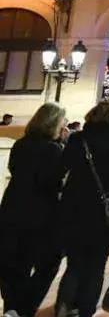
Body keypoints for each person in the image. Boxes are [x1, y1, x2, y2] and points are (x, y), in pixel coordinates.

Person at [56, 97, 109, 317]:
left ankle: (64, 307)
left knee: (75, 264)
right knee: (96, 266)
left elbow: (62, 167)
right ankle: (85, 311)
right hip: (105, 213)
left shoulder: (79, 139)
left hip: (74, 209)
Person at [0, 102, 66, 317]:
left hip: (12, 206)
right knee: (47, 263)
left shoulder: (20, 144)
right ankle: (24, 308)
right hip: (41, 213)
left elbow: (14, 169)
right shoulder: (54, 150)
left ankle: (12, 306)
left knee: (13, 262)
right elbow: (54, 182)